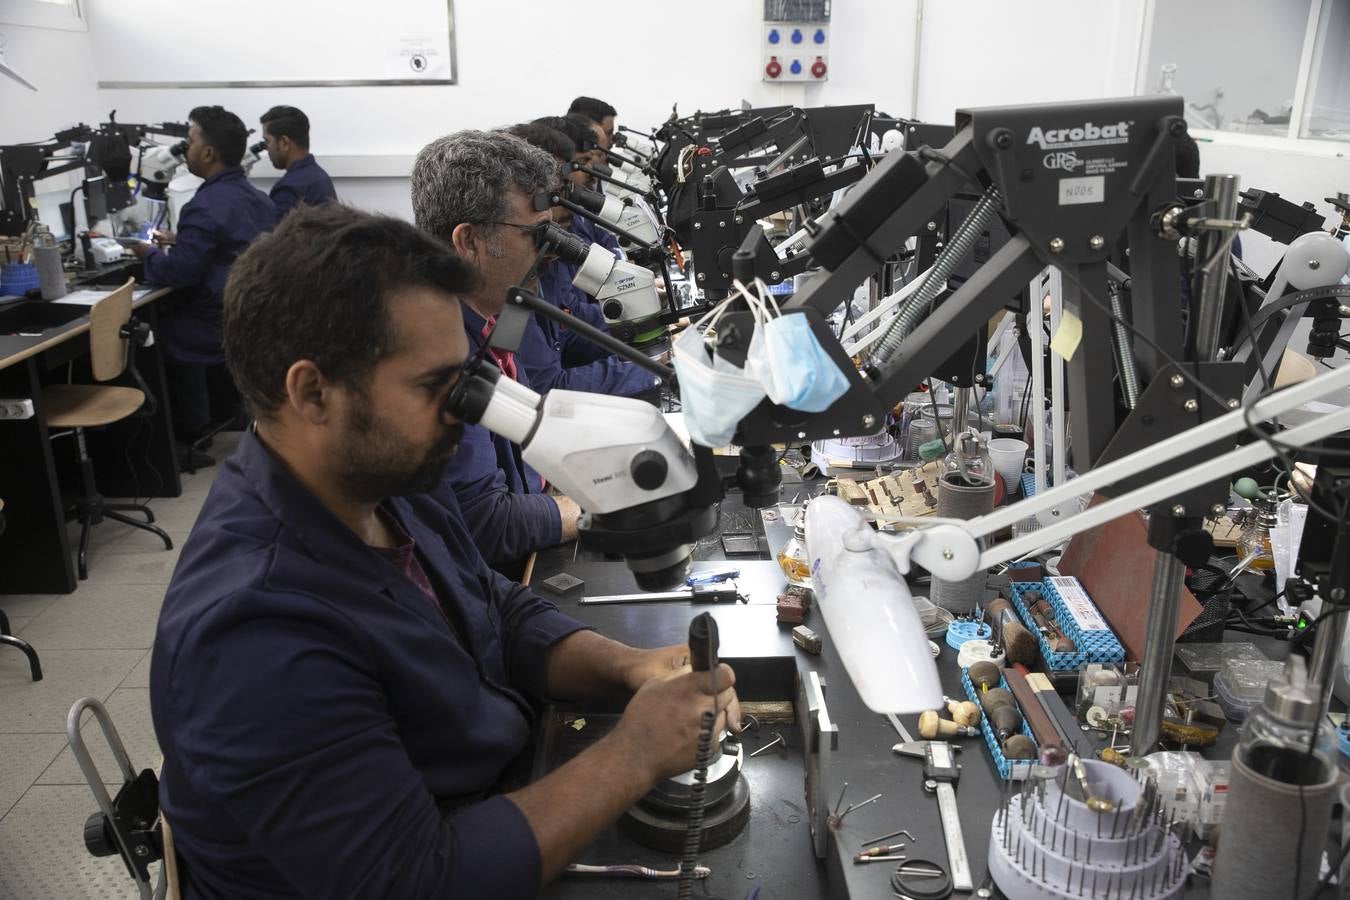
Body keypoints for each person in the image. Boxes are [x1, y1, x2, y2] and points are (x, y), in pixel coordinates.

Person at [150, 202, 740, 899]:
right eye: (435, 386)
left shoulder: (382, 480)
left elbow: (494, 609)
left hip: (476, 800)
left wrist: (630, 669)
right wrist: (635, 753)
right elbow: (417, 882)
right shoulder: (253, 634)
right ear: (313, 393)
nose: (465, 410)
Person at [410, 129, 583, 569]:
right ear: (468, 242)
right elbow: (482, 521)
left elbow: (532, 447)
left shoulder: (491, 317)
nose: (551, 255)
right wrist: (584, 511)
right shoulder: (436, 352)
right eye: (536, 236)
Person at [131, 105, 275, 447]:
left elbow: (178, 272)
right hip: (250, 316)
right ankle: (216, 415)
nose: (186, 150)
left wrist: (147, 253)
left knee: (152, 334)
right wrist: (184, 240)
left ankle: (187, 432)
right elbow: (230, 244)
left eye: (189, 141)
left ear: (208, 152)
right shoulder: (259, 200)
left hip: (214, 321)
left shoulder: (204, 204)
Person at [500, 122, 661, 397]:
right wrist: (652, 368)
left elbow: (567, 332)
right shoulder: (507, 283)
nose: (564, 200)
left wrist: (641, 324)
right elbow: (547, 386)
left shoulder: (548, 250)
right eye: (554, 193)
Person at [259, 105, 337, 222]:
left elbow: (276, 237)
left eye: (267, 141)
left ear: (284, 143)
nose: (266, 148)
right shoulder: (319, 176)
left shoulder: (290, 188)